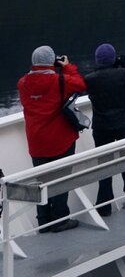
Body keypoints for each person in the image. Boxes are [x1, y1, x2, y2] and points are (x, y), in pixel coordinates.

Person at [18, 46, 86, 232]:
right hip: (60, 139)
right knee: (61, 180)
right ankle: (60, 220)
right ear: (51, 62)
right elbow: (80, 84)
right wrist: (67, 67)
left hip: (36, 141)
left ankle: (43, 221)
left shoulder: (23, 83)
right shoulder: (59, 80)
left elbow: (36, 87)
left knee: (42, 183)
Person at [84, 42, 125, 215]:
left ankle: (104, 204)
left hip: (102, 127)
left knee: (104, 165)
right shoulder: (123, 74)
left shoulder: (89, 79)